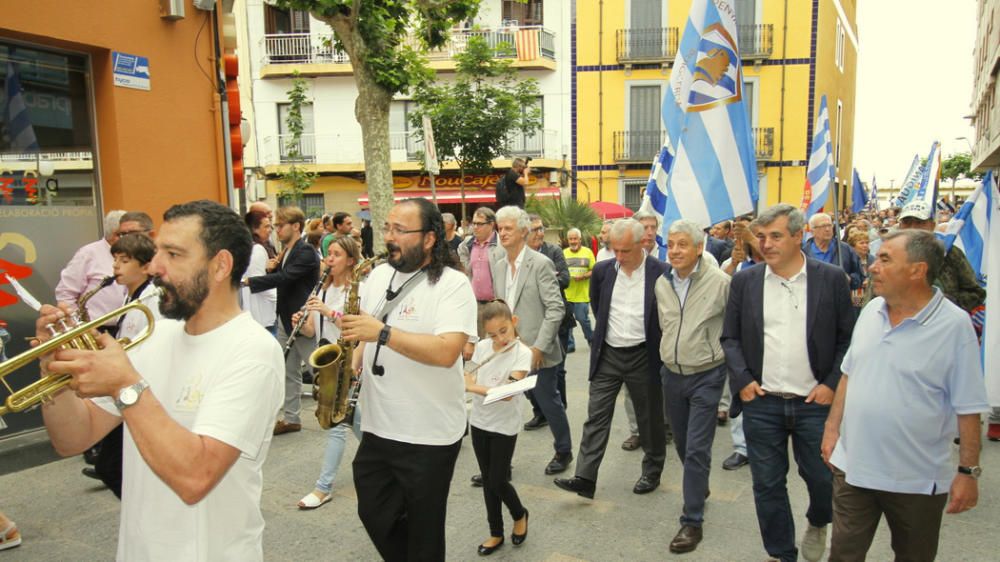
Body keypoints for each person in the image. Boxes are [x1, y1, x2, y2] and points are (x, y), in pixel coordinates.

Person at [39, 200, 284, 560]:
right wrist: (53, 369)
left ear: (220, 266)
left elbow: (195, 478)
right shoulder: (154, 336)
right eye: (158, 253)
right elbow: (73, 438)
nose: (155, 267)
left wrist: (126, 386)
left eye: (173, 254)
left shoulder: (252, 351)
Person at [822, 230, 989, 561]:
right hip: (853, 469)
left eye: (885, 259)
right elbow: (849, 373)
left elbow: (969, 407)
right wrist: (831, 430)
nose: (872, 267)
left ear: (918, 270)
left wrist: (968, 472)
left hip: (916, 480)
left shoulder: (954, 326)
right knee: (843, 555)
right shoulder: (871, 311)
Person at [340, 197, 476, 561]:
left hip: (428, 435)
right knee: (374, 512)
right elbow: (363, 332)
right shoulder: (379, 275)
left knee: (424, 532)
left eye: (400, 230)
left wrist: (383, 333)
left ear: (429, 238)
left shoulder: (453, 285)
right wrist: (353, 360)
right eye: (388, 228)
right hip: (378, 426)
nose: (389, 237)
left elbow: (447, 351)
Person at [721, 203, 854, 562]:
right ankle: (781, 552)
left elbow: (848, 340)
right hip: (762, 402)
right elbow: (730, 338)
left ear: (799, 236)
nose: (766, 243)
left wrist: (830, 383)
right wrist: (744, 380)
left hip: (816, 404)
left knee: (823, 480)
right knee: (767, 484)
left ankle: (818, 519)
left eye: (776, 236)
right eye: (761, 236)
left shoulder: (830, 279)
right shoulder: (745, 282)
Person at [553, 218, 666, 499]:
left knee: (648, 417)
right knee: (596, 416)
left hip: (643, 354)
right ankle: (585, 477)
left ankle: (652, 470)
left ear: (642, 244)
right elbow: (597, 304)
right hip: (609, 355)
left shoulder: (661, 273)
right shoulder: (603, 271)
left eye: (625, 250)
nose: (619, 256)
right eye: (614, 250)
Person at [656, 219, 731, 554]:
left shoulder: (719, 282)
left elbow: (735, 327)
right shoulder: (662, 283)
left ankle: (692, 521)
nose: (675, 251)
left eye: (682, 244)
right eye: (671, 244)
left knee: (698, 448)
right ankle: (699, 485)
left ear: (699, 248)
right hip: (671, 374)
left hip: (707, 374)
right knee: (684, 445)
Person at [490, 206, 573, 474]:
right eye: (499, 228)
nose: (502, 233)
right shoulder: (499, 265)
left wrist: (539, 347)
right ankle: (500, 463)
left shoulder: (540, 263)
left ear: (524, 232)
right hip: (509, 348)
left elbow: (555, 309)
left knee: (549, 402)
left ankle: (563, 451)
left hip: (538, 350)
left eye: (508, 228)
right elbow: (503, 307)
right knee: (504, 404)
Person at [85, 232, 163, 498]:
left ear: (145, 266)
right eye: (115, 259)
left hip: (140, 391)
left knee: (111, 466)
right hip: (127, 392)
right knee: (117, 465)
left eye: (124, 260)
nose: (116, 266)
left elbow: (151, 347)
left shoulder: (153, 301)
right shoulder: (132, 298)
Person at [294, 236, 364, 510]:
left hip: (349, 359)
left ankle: (323, 488)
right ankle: (387, 460)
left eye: (335, 254)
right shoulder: (321, 289)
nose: (329, 259)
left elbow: (357, 324)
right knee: (354, 421)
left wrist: (328, 311)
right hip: (329, 360)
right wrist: (301, 324)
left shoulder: (358, 289)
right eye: (328, 254)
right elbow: (313, 330)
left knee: (337, 425)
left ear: (349, 259)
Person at [464, 300, 531, 556]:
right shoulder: (482, 347)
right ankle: (495, 532)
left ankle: (519, 513)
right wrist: (470, 380)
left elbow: (507, 394)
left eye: (504, 331)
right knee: (488, 481)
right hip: (480, 422)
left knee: (497, 480)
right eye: (493, 334)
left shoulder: (522, 354)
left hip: (505, 426)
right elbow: (468, 371)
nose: (500, 338)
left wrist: (472, 387)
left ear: (513, 322)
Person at [246, 206, 321, 435]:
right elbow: (282, 277)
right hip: (285, 318)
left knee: (317, 369)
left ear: (296, 226)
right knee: (287, 369)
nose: (276, 229)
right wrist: (269, 270)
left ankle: (342, 409)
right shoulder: (286, 251)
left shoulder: (305, 251)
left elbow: (287, 278)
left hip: (301, 318)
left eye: (280, 225)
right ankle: (291, 418)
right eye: (275, 225)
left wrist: (252, 281)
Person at [519, 214, 572, 435]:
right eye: (535, 229)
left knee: (555, 372)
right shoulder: (517, 258)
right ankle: (540, 411)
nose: (540, 233)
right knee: (526, 378)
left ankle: (556, 409)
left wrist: (543, 282)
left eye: (542, 228)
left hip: (556, 322)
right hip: (529, 325)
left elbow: (565, 279)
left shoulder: (553, 252)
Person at [718, 219, 764, 472]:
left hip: (769, 341)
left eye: (758, 236)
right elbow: (720, 286)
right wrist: (734, 263)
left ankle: (765, 444)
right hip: (740, 338)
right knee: (740, 389)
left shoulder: (775, 264)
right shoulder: (736, 262)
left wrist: (748, 235)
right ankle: (742, 448)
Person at [54, 209, 128, 330]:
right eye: (128, 234)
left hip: (128, 327)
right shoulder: (88, 254)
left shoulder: (135, 255)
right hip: (96, 328)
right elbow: (65, 293)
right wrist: (78, 326)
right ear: (115, 235)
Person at [803, 213, 863, 290]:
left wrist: (851, 279)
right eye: (823, 226)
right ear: (812, 231)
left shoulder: (845, 249)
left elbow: (859, 275)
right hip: (811, 298)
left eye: (830, 225)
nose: (827, 229)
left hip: (838, 298)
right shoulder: (803, 252)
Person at [242, 210, 278, 335]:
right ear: (255, 229)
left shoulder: (249, 247)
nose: (270, 229)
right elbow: (258, 283)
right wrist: (282, 298)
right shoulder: (257, 249)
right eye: (266, 226)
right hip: (262, 316)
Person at [563, 228, 595, 352]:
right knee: (567, 322)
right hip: (567, 294)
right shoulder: (563, 253)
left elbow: (594, 270)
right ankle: (570, 344)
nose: (573, 241)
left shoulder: (588, 252)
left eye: (575, 238)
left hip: (582, 294)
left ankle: (591, 339)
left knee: (583, 319)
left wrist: (584, 276)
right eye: (571, 239)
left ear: (580, 239)